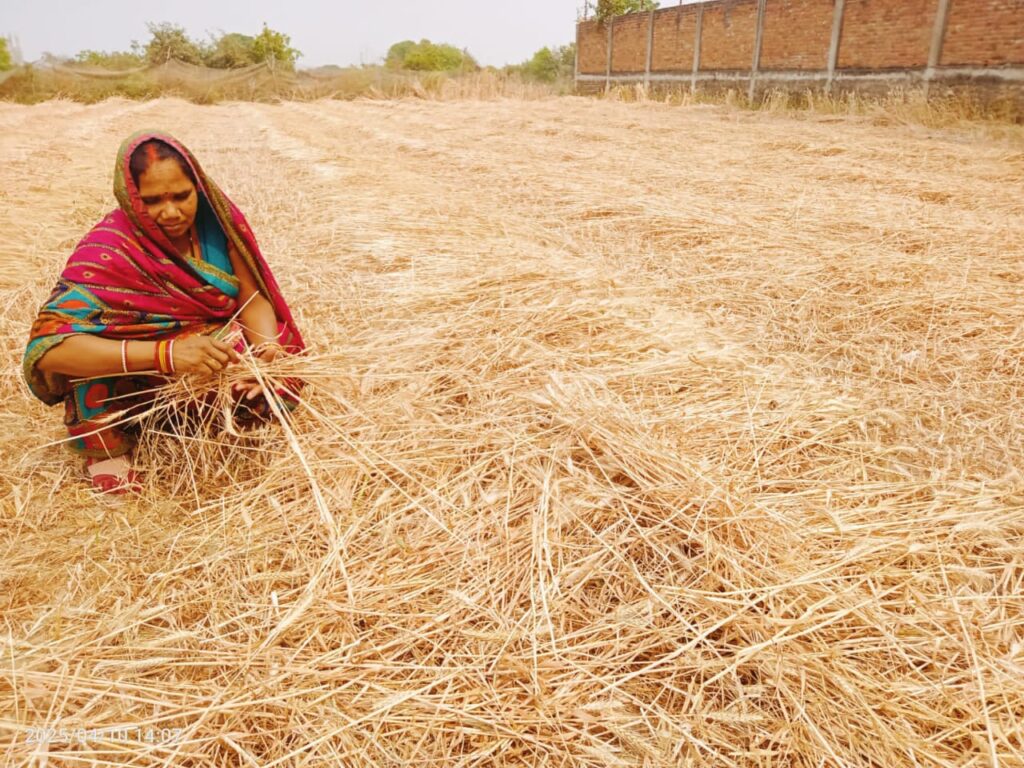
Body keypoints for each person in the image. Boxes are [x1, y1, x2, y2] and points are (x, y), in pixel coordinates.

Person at [23, 130, 305, 494]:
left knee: (275, 363)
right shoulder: (108, 247)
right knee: (89, 363)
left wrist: (266, 355)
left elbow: (252, 300)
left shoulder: (217, 225)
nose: (171, 213)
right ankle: (106, 449)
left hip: (203, 353)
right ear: (130, 199)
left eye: (182, 196)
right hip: (138, 367)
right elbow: (50, 347)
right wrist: (167, 355)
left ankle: (196, 418)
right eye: (152, 201)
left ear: (198, 187)